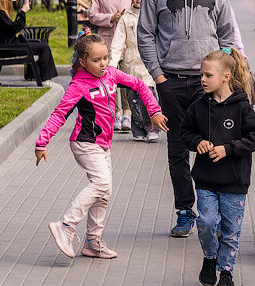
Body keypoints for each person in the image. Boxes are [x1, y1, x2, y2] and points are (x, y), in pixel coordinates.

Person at [137, 0, 238, 239]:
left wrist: (223, 75)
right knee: (178, 149)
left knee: (213, 145)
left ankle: (214, 212)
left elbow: (227, 35)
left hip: (208, 82)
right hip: (172, 81)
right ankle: (185, 210)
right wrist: (159, 77)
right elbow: (145, 34)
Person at [35, 33, 168, 260]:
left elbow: (139, 85)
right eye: (97, 60)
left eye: (105, 58)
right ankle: (66, 226)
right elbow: (60, 114)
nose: (103, 63)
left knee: (103, 193)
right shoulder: (78, 85)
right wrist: (42, 141)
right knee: (102, 183)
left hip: (103, 145)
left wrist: (154, 110)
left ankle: (92, 243)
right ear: (83, 62)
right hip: (84, 143)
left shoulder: (111, 75)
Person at [181, 48, 255, 286]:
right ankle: (209, 257)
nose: (202, 80)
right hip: (206, 179)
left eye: (208, 75)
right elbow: (186, 133)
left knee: (230, 232)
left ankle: (226, 273)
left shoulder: (242, 107)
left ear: (226, 76)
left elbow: (254, 137)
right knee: (206, 223)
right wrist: (198, 143)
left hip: (235, 181)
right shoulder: (198, 106)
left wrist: (228, 149)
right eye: (201, 75)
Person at [109, 0, 160, 143]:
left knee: (149, 95)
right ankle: (137, 129)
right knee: (133, 98)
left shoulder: (154, 15)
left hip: (149, 61)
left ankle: (152, 128)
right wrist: (112, 65)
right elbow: (117, 43)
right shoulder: (126, 17)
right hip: (131, 61)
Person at [88, 0, 133, 132]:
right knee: (107, 79)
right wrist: (110, 18)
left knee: (127, 79)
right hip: (106, 41)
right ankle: (113, 114)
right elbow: (92, 15)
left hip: (128, 42)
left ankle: (128, 115)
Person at [0, 0, 58, 84]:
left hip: (8, 46)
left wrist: (22, 13)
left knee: (41, 45)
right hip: (8, 48)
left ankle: (42, 78)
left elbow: (12, 28)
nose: (11, 4)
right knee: (44, 47)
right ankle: (45, 80)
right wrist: (23, 12)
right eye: (10, 1)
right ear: (5, 2)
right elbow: (15, 29)